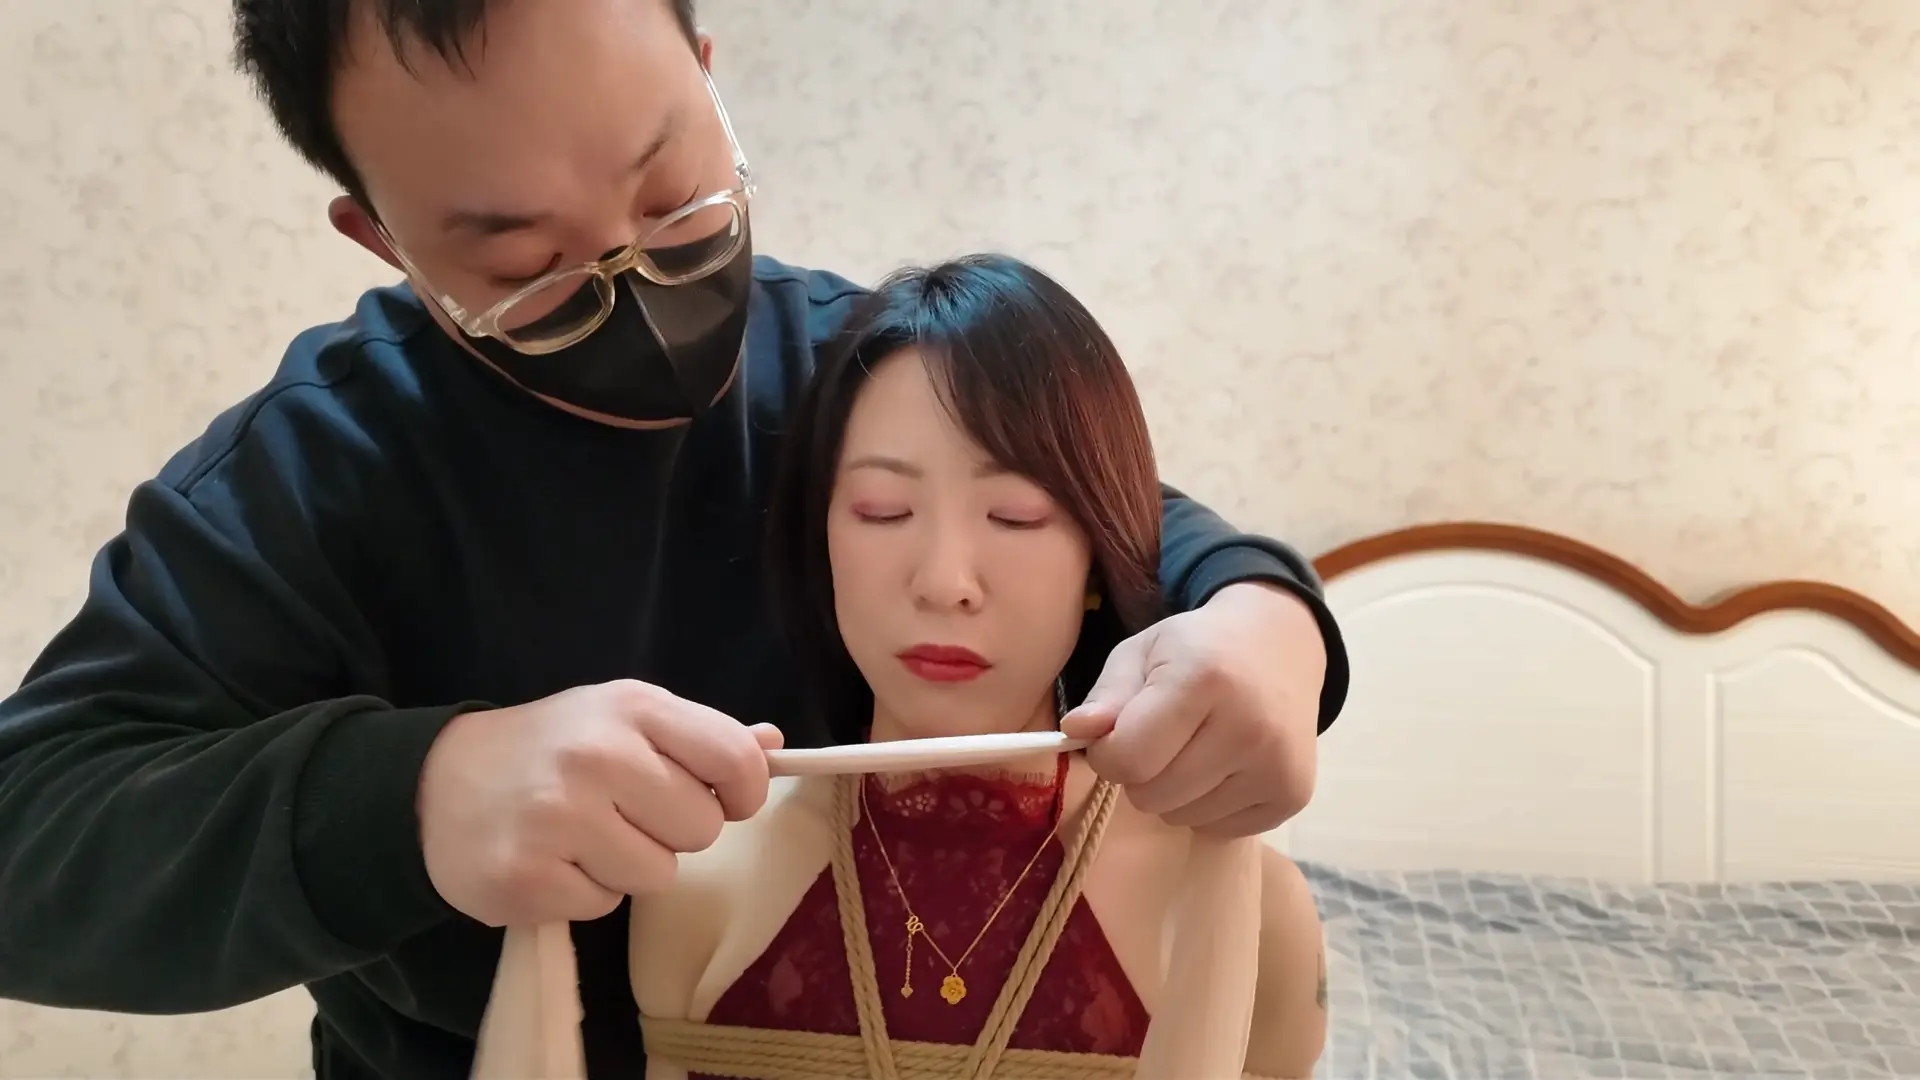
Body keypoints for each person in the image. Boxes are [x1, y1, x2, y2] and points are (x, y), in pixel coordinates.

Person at [0, 2, 1349, 1078]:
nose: (635, 280)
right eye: (521, 259)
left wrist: (1263, 618)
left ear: (707, 76)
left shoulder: (843, 366)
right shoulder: (308, 480)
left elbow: (1120, 515)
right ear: (383, 238)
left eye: (671, 191)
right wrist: (414, 797)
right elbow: (31, 834)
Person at [467, 253, 1329, 1080]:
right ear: (823, 542)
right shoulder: (699, 875)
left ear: (1099, 560)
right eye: (882, 511)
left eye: (1016, 515)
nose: (945, 582)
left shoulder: (1241, 905)